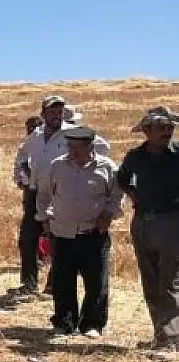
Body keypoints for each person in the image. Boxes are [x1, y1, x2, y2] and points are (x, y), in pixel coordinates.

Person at [11, 95, 110, 298]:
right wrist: (21, 175)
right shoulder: (36, 135)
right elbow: (21, 155)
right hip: (35, 192)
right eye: (52, 111)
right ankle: (29, 284)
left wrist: (81, 164)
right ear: (43, 113)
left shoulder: (71, 133)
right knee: (27, 239)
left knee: (58, 240)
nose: (57, 115)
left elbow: (102, 147)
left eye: (59, 111)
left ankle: (52, 286)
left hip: (61, 192)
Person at [35, 126, 124, 339]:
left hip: (93, 233)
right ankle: (64, 323)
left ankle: (92, 324)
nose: (72, 152)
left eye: (78, 147)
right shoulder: (57, 166)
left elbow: (117, 195)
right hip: (62, 232)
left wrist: (108, 214)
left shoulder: (107, 167)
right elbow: (44, 194)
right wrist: (45, 217)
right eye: (70, 146)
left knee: (96, 282)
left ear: (90, 147)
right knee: (63, 281)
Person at [116, 106, 179, 359]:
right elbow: (122, 178)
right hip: (142, 221)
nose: (168, 131)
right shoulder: (135, 156)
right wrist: (134, 195)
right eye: (161, 127)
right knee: (150, 280)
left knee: (170, 281)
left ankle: (173, 339)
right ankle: (161, 335)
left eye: (170, 127)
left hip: (172, 222)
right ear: (146, 131)